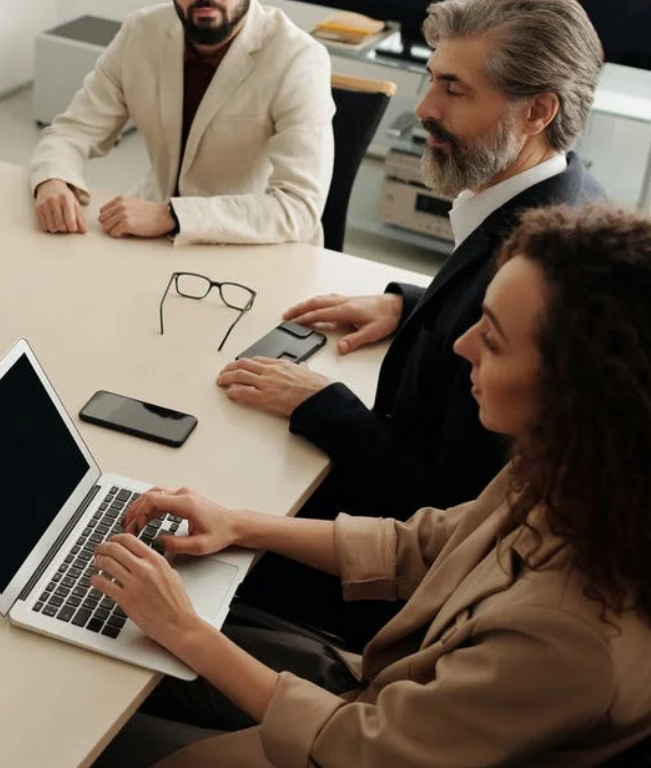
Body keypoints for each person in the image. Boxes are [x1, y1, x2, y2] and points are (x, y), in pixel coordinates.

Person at [92, 203, 651, 768]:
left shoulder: (569, 635)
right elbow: (421, 546)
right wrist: (240, 522)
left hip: (360, 743)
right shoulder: (575, 472)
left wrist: (186, 632)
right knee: (115, 650)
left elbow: (363, 748)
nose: (463, 346)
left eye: (495, 339)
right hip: (383, 699)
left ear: (581, 391)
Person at [218, 0, 605, 521]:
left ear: (538, 111)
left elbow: (444, 505)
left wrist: (321, 404)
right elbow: (483, 310)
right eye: (431, 80)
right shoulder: (569, 200)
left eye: (454, 88)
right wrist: (414, 306)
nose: (424, 108)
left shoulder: (537, 277)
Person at [27, 0, 333, 245]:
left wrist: (172, 216)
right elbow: (73, 131)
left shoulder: (299, 59)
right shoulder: (139, 33)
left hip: (256, 245)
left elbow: (298, 208)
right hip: (152, 237)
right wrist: (51, 178)